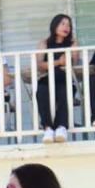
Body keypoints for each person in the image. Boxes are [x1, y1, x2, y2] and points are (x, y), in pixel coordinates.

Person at [34, 15, 81, 143]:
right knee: (41, 92)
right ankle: (48, 128)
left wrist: (72, 51)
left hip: (65, 79)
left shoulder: (72, 43)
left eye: (69, 25)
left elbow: (74, 62)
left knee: (65, 91)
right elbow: (40, 65)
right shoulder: (44, 43)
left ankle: (61, 127)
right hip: (47, 79)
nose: (66, 27)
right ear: (54, 25)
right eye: (63, 24)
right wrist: (58, 62)